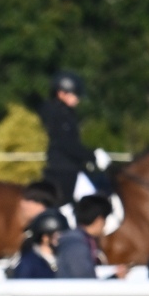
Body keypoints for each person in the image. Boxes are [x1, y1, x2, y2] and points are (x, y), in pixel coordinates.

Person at [40, 70, 102, 207]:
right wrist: (92, 156)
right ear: (61, 93)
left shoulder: (65, 113)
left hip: (71, 168)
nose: (77, 99)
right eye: (74, 94)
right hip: (64, 170)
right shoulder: (58, 113)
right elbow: (67, 144)